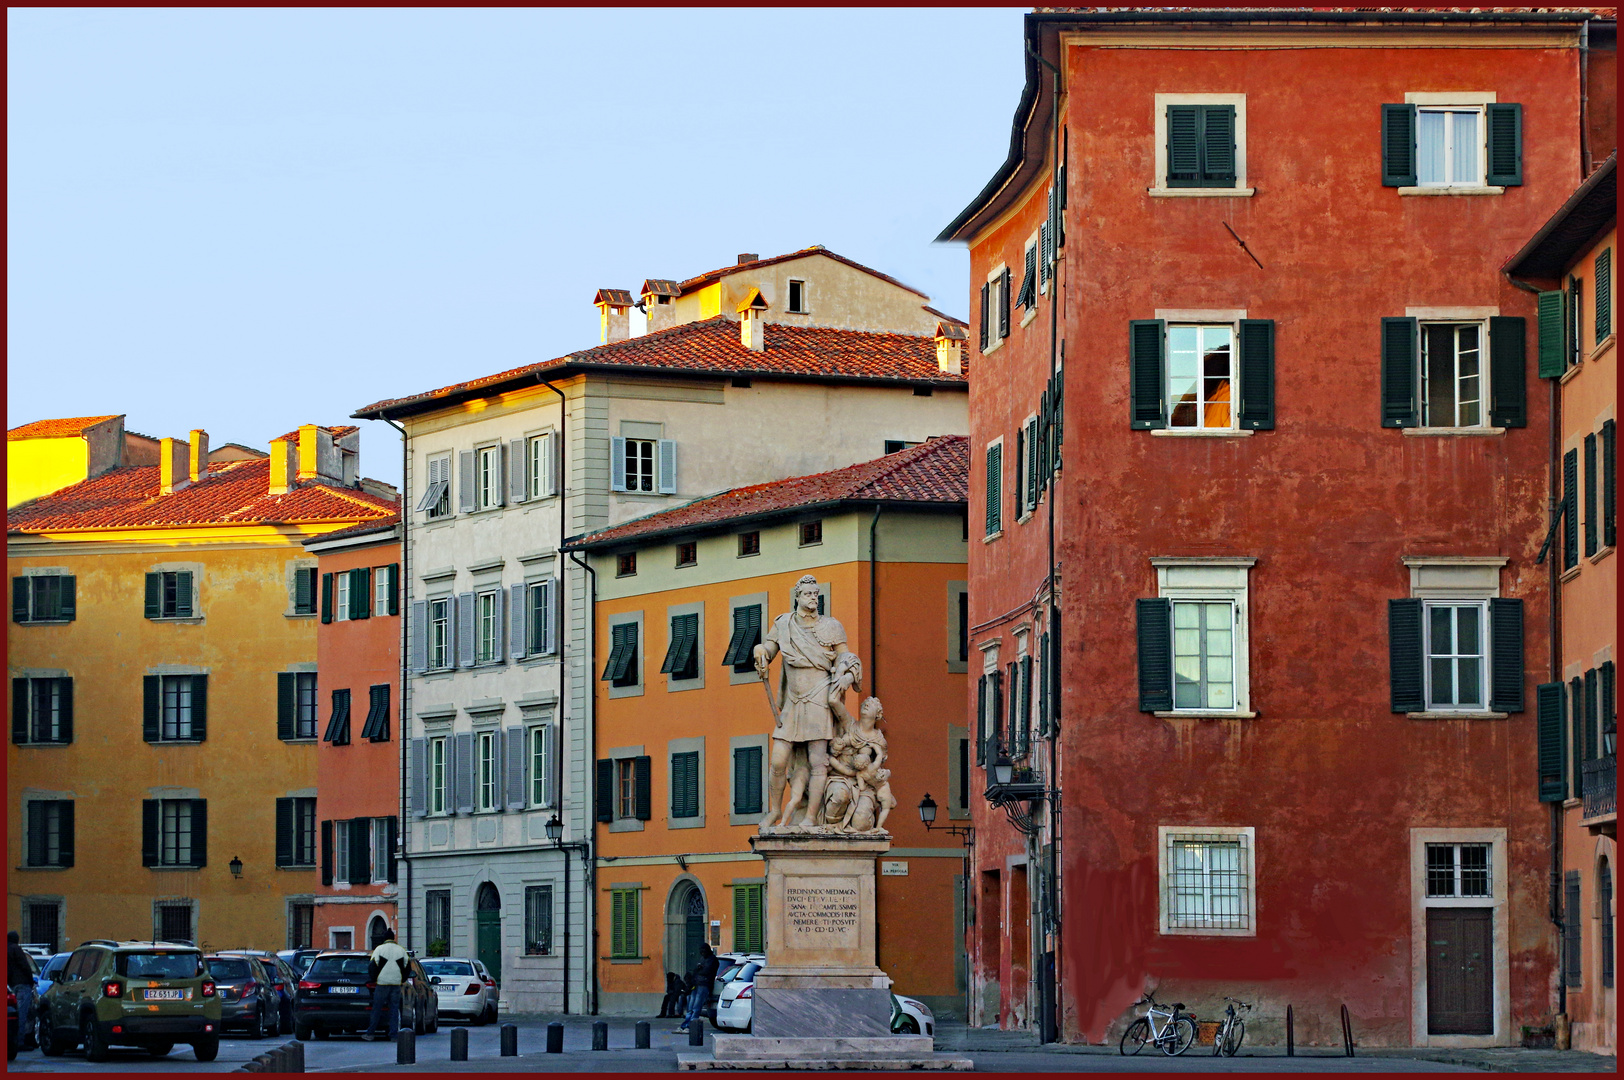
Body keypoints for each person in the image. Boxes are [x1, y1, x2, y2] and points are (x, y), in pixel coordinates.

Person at [754, 575, 862, 828]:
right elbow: (769, 649)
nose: (813, 598)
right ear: (797, 597)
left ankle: (811, 816)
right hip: (793, 701)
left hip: (819, 697)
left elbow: (845, 655)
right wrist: (760, 652)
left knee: (817, 760)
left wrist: (847, 674)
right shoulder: (783, 624)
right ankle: (774, 811)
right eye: (808, 594)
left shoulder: (831, 626)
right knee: (778, 759)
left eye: (816, 594)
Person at [360, 929, 410, 1041]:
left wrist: (375, 979)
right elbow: (407, 968)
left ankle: (370, 1033)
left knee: (377, 1009)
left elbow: (372, 966)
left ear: (384, 938)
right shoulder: (401, 950)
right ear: (393, 938)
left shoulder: (379, 949)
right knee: (394, 1010)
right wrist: (401, 979)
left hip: (382, 983)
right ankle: (393, 1035)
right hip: (396, 983)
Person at [674, 944, 719, 1034]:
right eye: (701, 951)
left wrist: (699, 970)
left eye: (703, 950)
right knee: (690, 1007)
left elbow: (706, 971)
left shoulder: (713, 960)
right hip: (696, 984)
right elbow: (696, 970)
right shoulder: (703, 959)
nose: (702, 952)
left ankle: (691, 1026)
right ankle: (685, 1026)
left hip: (704, 985)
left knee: (696, 1007)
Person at [7, 933, 35, 1051]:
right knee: (22, 1014)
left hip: (10, 985)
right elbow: (25, 966)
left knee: (12, 1015)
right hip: (22, 984)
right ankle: (20, 1041)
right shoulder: (16, 949)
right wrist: (31, 980)